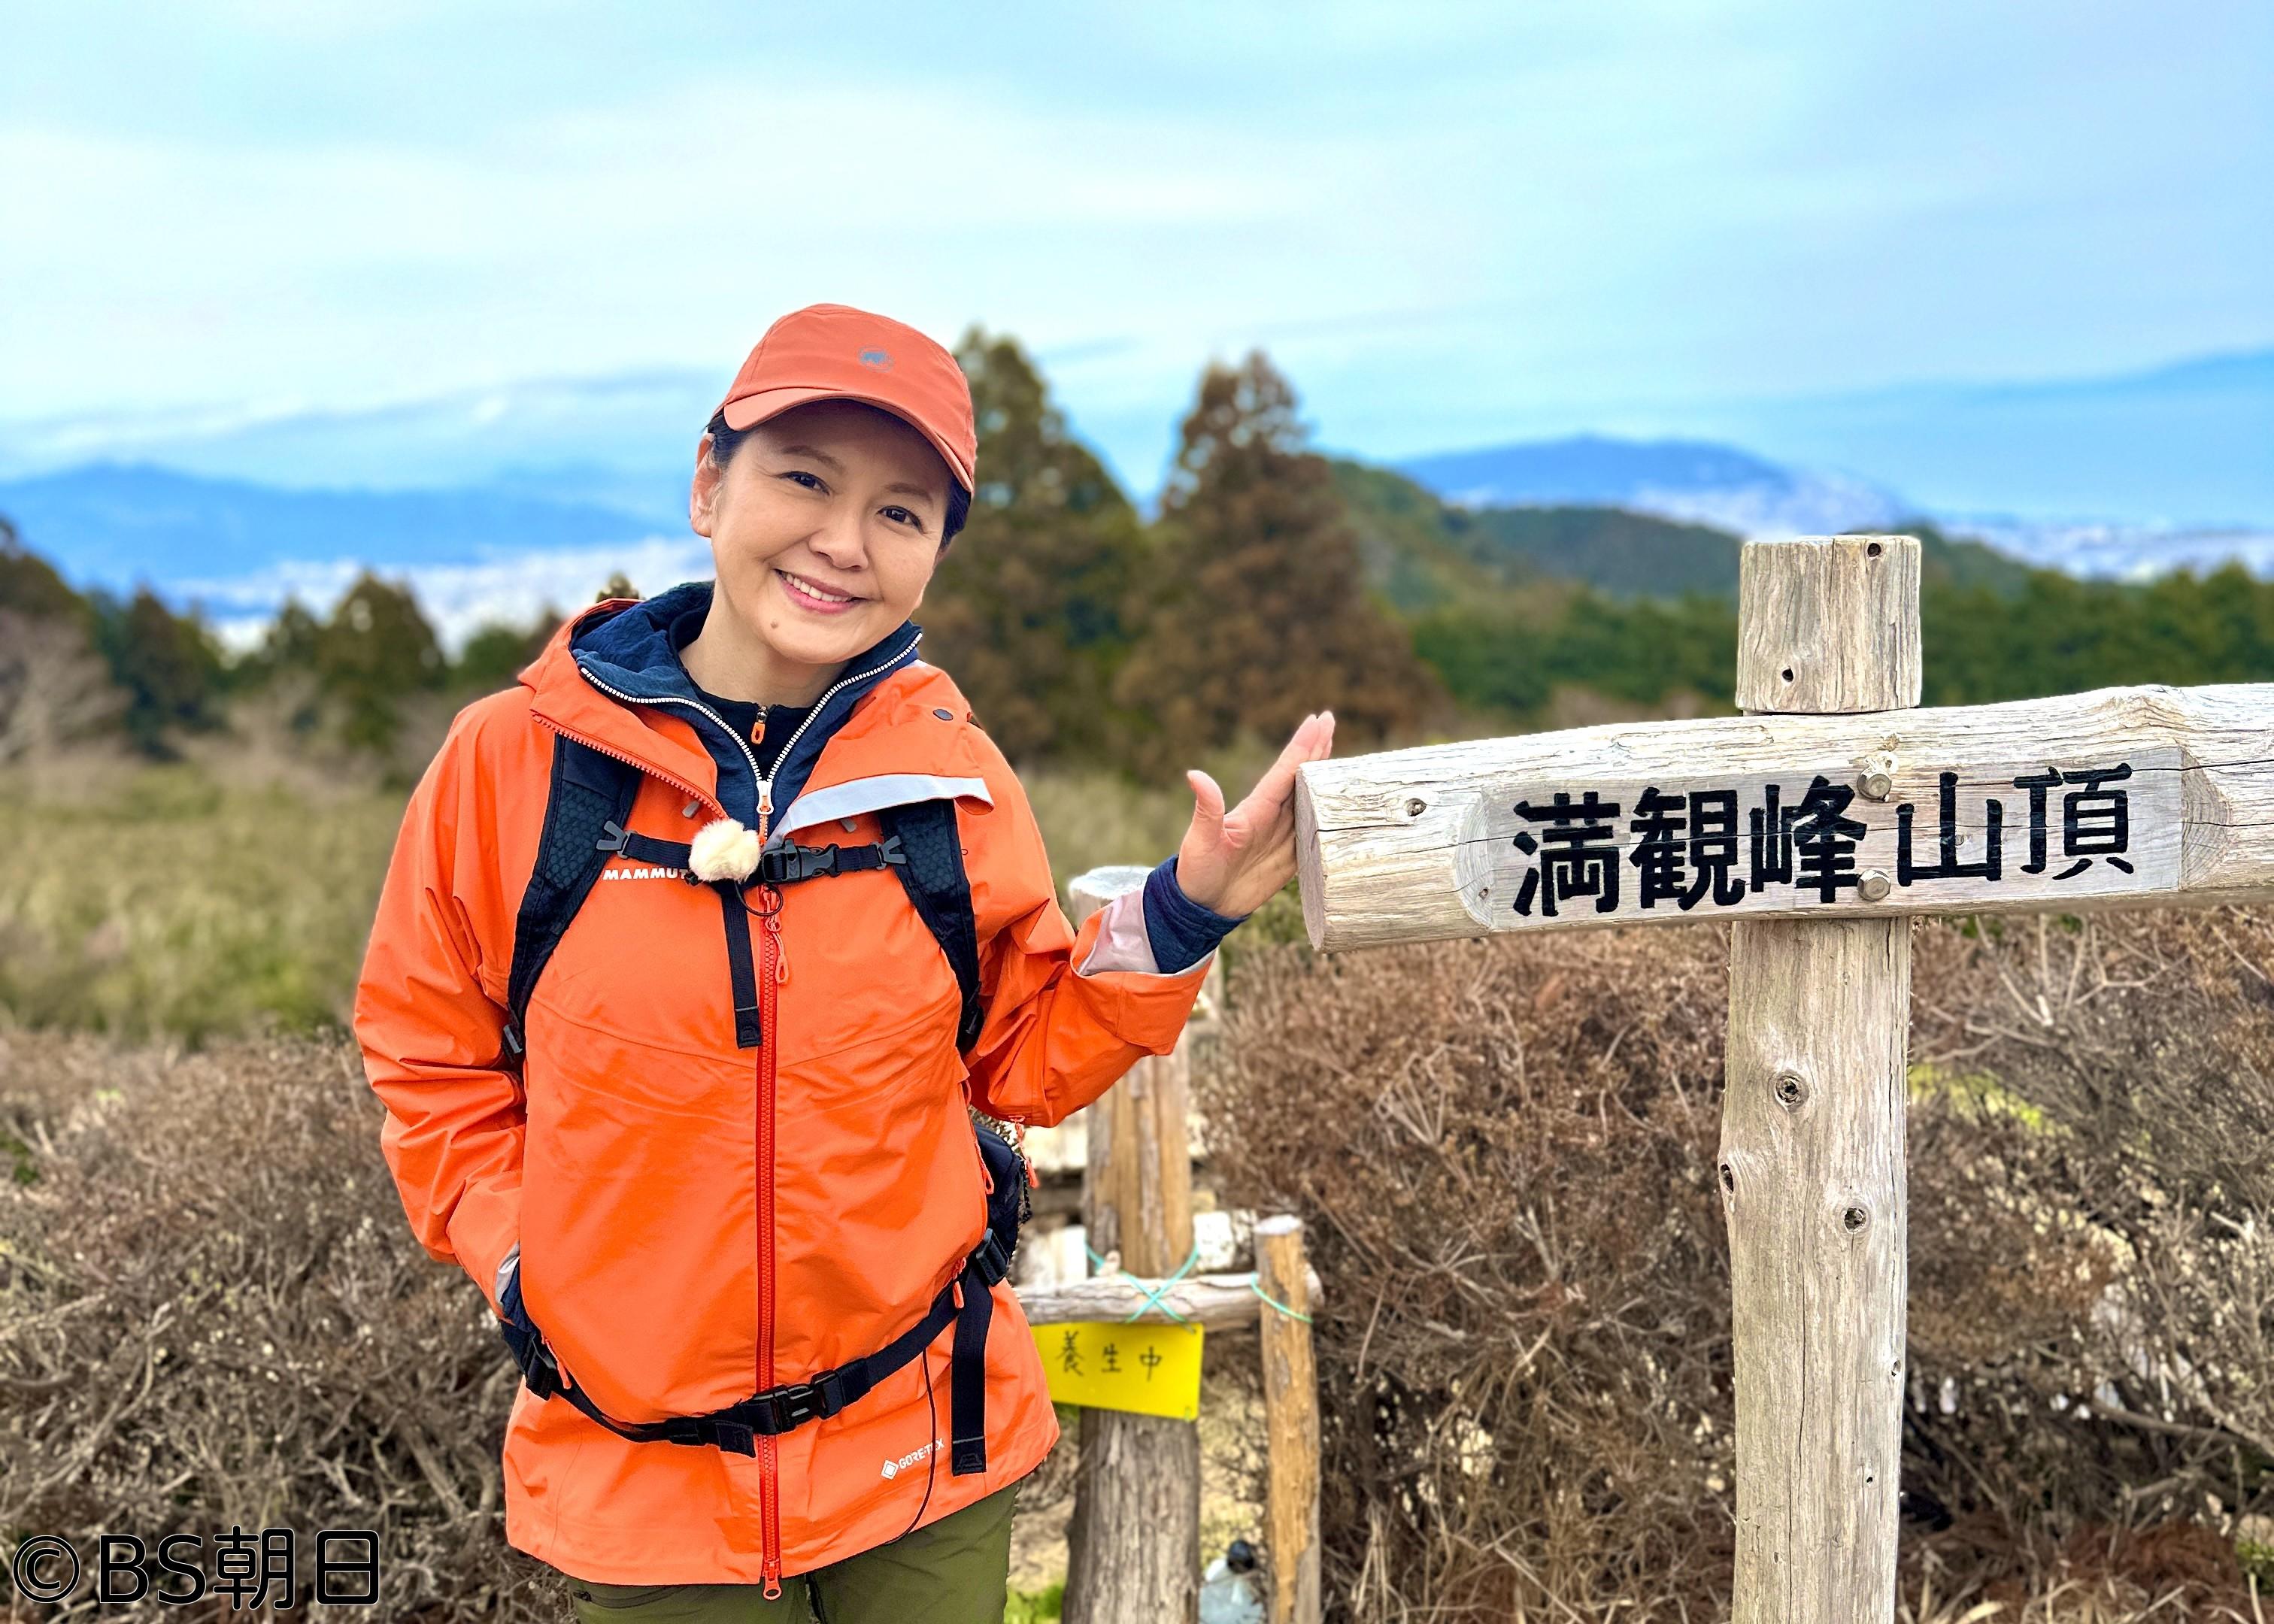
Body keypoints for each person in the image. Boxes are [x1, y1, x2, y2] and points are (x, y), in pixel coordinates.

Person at [353, 301, 1335, 1622]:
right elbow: (430, 1054)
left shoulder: (949, 777)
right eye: (803, 479)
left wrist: (1182, 915)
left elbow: (1020, 1054)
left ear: (933, 555)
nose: (841, 541)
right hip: (644, 1473)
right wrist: (527, 1259)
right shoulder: (515, 766)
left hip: (925, 1441)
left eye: (900, 512)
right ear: (711, 483)